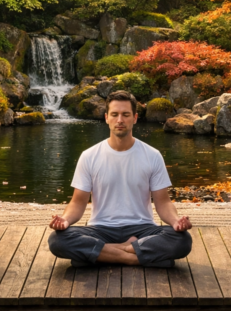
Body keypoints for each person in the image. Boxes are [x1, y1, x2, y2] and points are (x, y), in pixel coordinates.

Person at [48, 90, 193, 267]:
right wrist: (65, 220)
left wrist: (176, 221)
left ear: (135, 118)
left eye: (125, 115)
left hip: (143, 228)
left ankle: (98, 254)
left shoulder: (152, 155)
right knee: (57, 240)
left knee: (182, 240)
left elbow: (163, 202)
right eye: (115, 115)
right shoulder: (89, 156)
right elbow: (78, 202)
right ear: (106, 118)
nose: (120, 120)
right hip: (101, 229)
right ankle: (133, 254)